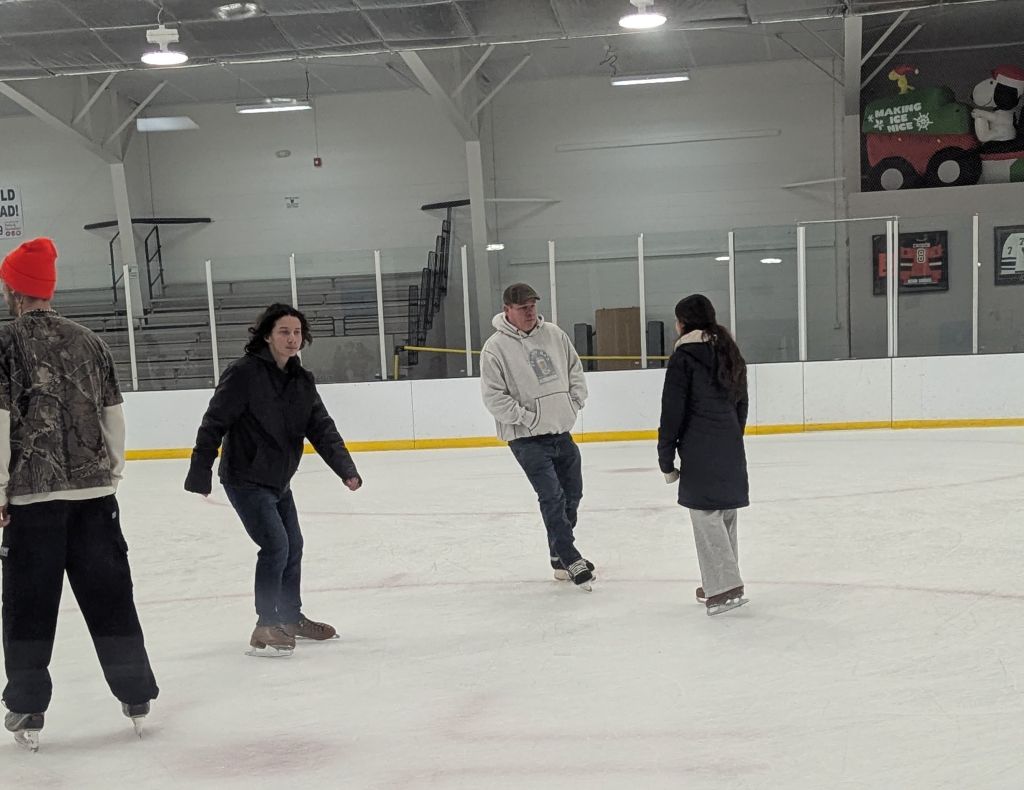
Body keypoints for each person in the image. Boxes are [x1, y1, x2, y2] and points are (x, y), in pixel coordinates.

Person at [0, 238, 158, 750]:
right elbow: (113, 414)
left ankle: (27, 705)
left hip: (31, 502)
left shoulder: (4, 343)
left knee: (28, 606)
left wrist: (0, 489)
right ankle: (135, 693)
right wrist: (111, 474)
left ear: (14, 291)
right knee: (110, 596)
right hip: (94, 497)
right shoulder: (91, 342)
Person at [184, 303, 361, 656]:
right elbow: (214, 422)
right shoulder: (243, 374)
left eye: (297, 332)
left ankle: (290, 618)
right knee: (276, 546)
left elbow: (321, 427)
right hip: (245, 478)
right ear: (267, 335)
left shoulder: (301, 380)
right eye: (284, 332)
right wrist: (200, 471)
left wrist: (346, 469)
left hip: (279, 481)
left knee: (293, 546)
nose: (292, 339)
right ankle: (266, 623)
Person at [480, 283, 594, 590]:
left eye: (532, 306)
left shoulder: (554, 334)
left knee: (573, 494)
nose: (530, 312)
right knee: (552, 496)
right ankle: (570, 557)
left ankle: (558, 558)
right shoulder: (495, 348)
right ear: (507, 310)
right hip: (526, 439)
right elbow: (494, 397)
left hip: (561, 431)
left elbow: (574, 370)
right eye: (523, 308)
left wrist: (574, 402)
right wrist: (528, 418)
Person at [657, 294, 750, 616]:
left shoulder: (684, 357)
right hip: (729, 446)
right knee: (724, 515)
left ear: (682, 323)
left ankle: (724, 587)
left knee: (706, 516)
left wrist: (666, 457)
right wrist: (731, 436)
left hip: (699, 450)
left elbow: (672, 411)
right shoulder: (729, 351)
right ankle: (719, 582)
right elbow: (741, 403)